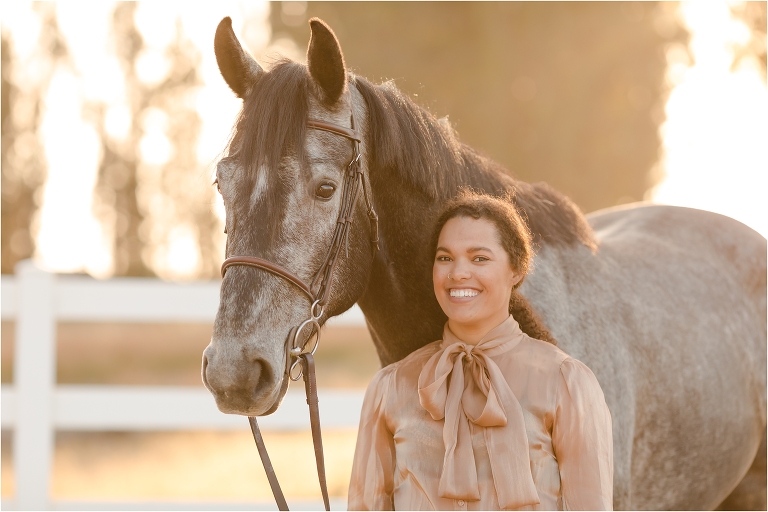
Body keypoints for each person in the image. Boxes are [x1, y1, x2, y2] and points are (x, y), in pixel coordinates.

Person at [347, 190, 613, 511]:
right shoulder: (391, 387)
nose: (458, 273)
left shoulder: (567, 383)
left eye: (479, 258)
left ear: (516, 269)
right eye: (445, 258)